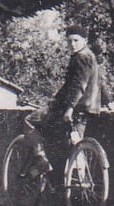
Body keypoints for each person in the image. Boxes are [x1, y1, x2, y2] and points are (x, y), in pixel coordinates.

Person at [39, 24, 102, 178]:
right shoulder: (90, 56)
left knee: (56, 138)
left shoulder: (81, 57)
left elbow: (78, 86)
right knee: (73, 142)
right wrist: (108, 102)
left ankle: (61, 181)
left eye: (76, 40)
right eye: (69, 41)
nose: (72, 44)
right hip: (89, 107)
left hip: (78, 107)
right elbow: (98, 80)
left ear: (84, 41)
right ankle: (71, 182)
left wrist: (69, 108)